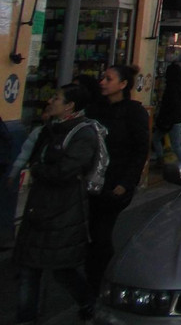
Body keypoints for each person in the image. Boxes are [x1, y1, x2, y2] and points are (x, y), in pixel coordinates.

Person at [14, 84, 98, 323]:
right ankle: (26, 318)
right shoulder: (49, 129)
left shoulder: (82, 133)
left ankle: (87, 302)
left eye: (57, 98)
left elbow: (66, 170)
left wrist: (38, 170)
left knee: (63, 269)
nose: (50, 101)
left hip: (64, 210)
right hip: (38, 208)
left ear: (70, 105)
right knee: (29, 270)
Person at [86, 64, 149, 295]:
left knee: (101, 235)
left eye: (108, 79)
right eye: (102, 77)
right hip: (90, 183)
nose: (102, 82)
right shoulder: (94, 109)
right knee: (92, 234)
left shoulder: (133, 112)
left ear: (123, 85)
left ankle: (101, 284)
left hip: (114, 184)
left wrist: (126, 183)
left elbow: (140, 149)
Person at [152, 63, 181, 167]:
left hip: (169, 120)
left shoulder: (171, 88)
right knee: (174, 143)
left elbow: (169, 105)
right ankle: (180, 164)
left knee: (172, 143)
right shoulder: (180, 86)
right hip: (176, 119)